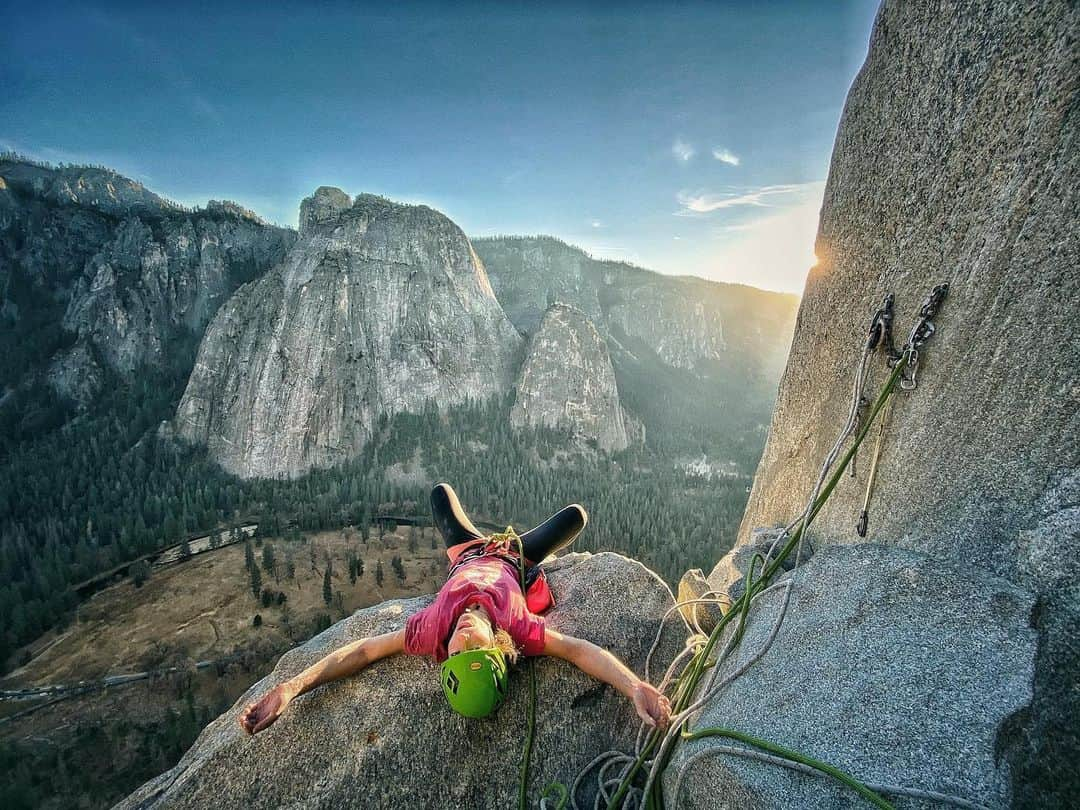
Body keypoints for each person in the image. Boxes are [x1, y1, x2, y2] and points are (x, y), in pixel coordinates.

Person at [239, 482, 671, 734]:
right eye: (473, 649)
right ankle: (528, 546)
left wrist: (291, 689)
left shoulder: (433, 631)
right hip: (514, 557)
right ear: (498, 648)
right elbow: (580, 651)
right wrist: (635, 687)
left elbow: (361, 652)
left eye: (455, 652)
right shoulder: (517, 627)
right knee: (575, 517)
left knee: (440, 494)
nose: (460, 638)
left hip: (465, 553)